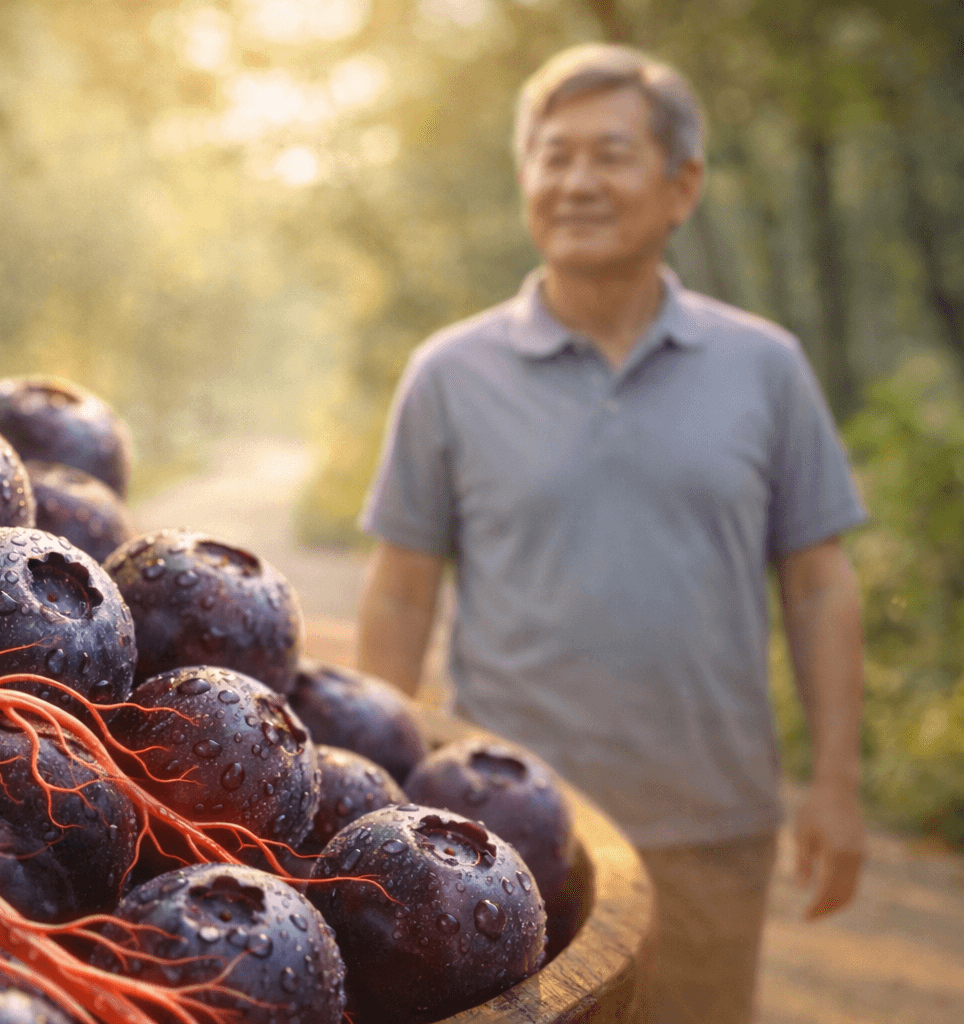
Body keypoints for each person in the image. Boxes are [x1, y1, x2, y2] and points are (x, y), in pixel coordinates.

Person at [355, 43, 866, 1024]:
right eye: (554, 156)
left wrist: (837, 786)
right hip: (501, 836)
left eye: (611, 154)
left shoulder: (766, 367)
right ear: (525, 179)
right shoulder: (450, 373)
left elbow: (819, 582)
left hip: (707, 826)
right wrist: (380, 794)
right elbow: (402, 590)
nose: (577, 181)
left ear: (683, 186)